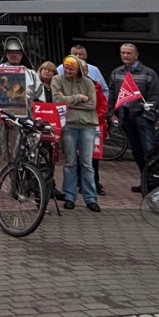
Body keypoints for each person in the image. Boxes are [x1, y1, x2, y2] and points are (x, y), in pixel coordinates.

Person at [107, 43, 159, 194]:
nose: (125, 56)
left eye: (128, 53)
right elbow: (112, 95)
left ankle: (155, 183)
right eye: (122, 52)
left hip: (143, 118)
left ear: (136, 55)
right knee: (137, 151)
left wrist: (147, 114)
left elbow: (155, 97)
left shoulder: (149, 73)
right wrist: (112, 113)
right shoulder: (116, 73)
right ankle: (144, 180)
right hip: (126, 117)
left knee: (149, 150)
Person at [51, 56, 100, 212]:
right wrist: (79, 98)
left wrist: (70, 104)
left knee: (87, 163)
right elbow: (57, 101)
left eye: (71, 68)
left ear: (78, 68)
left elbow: (92, 104)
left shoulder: (88, 82)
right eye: (66, 68)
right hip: (69, 126)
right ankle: (69, 196)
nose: (67, 71)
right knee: (70, 162)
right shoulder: (57, 80)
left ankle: (90, 198)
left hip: (88, 126)